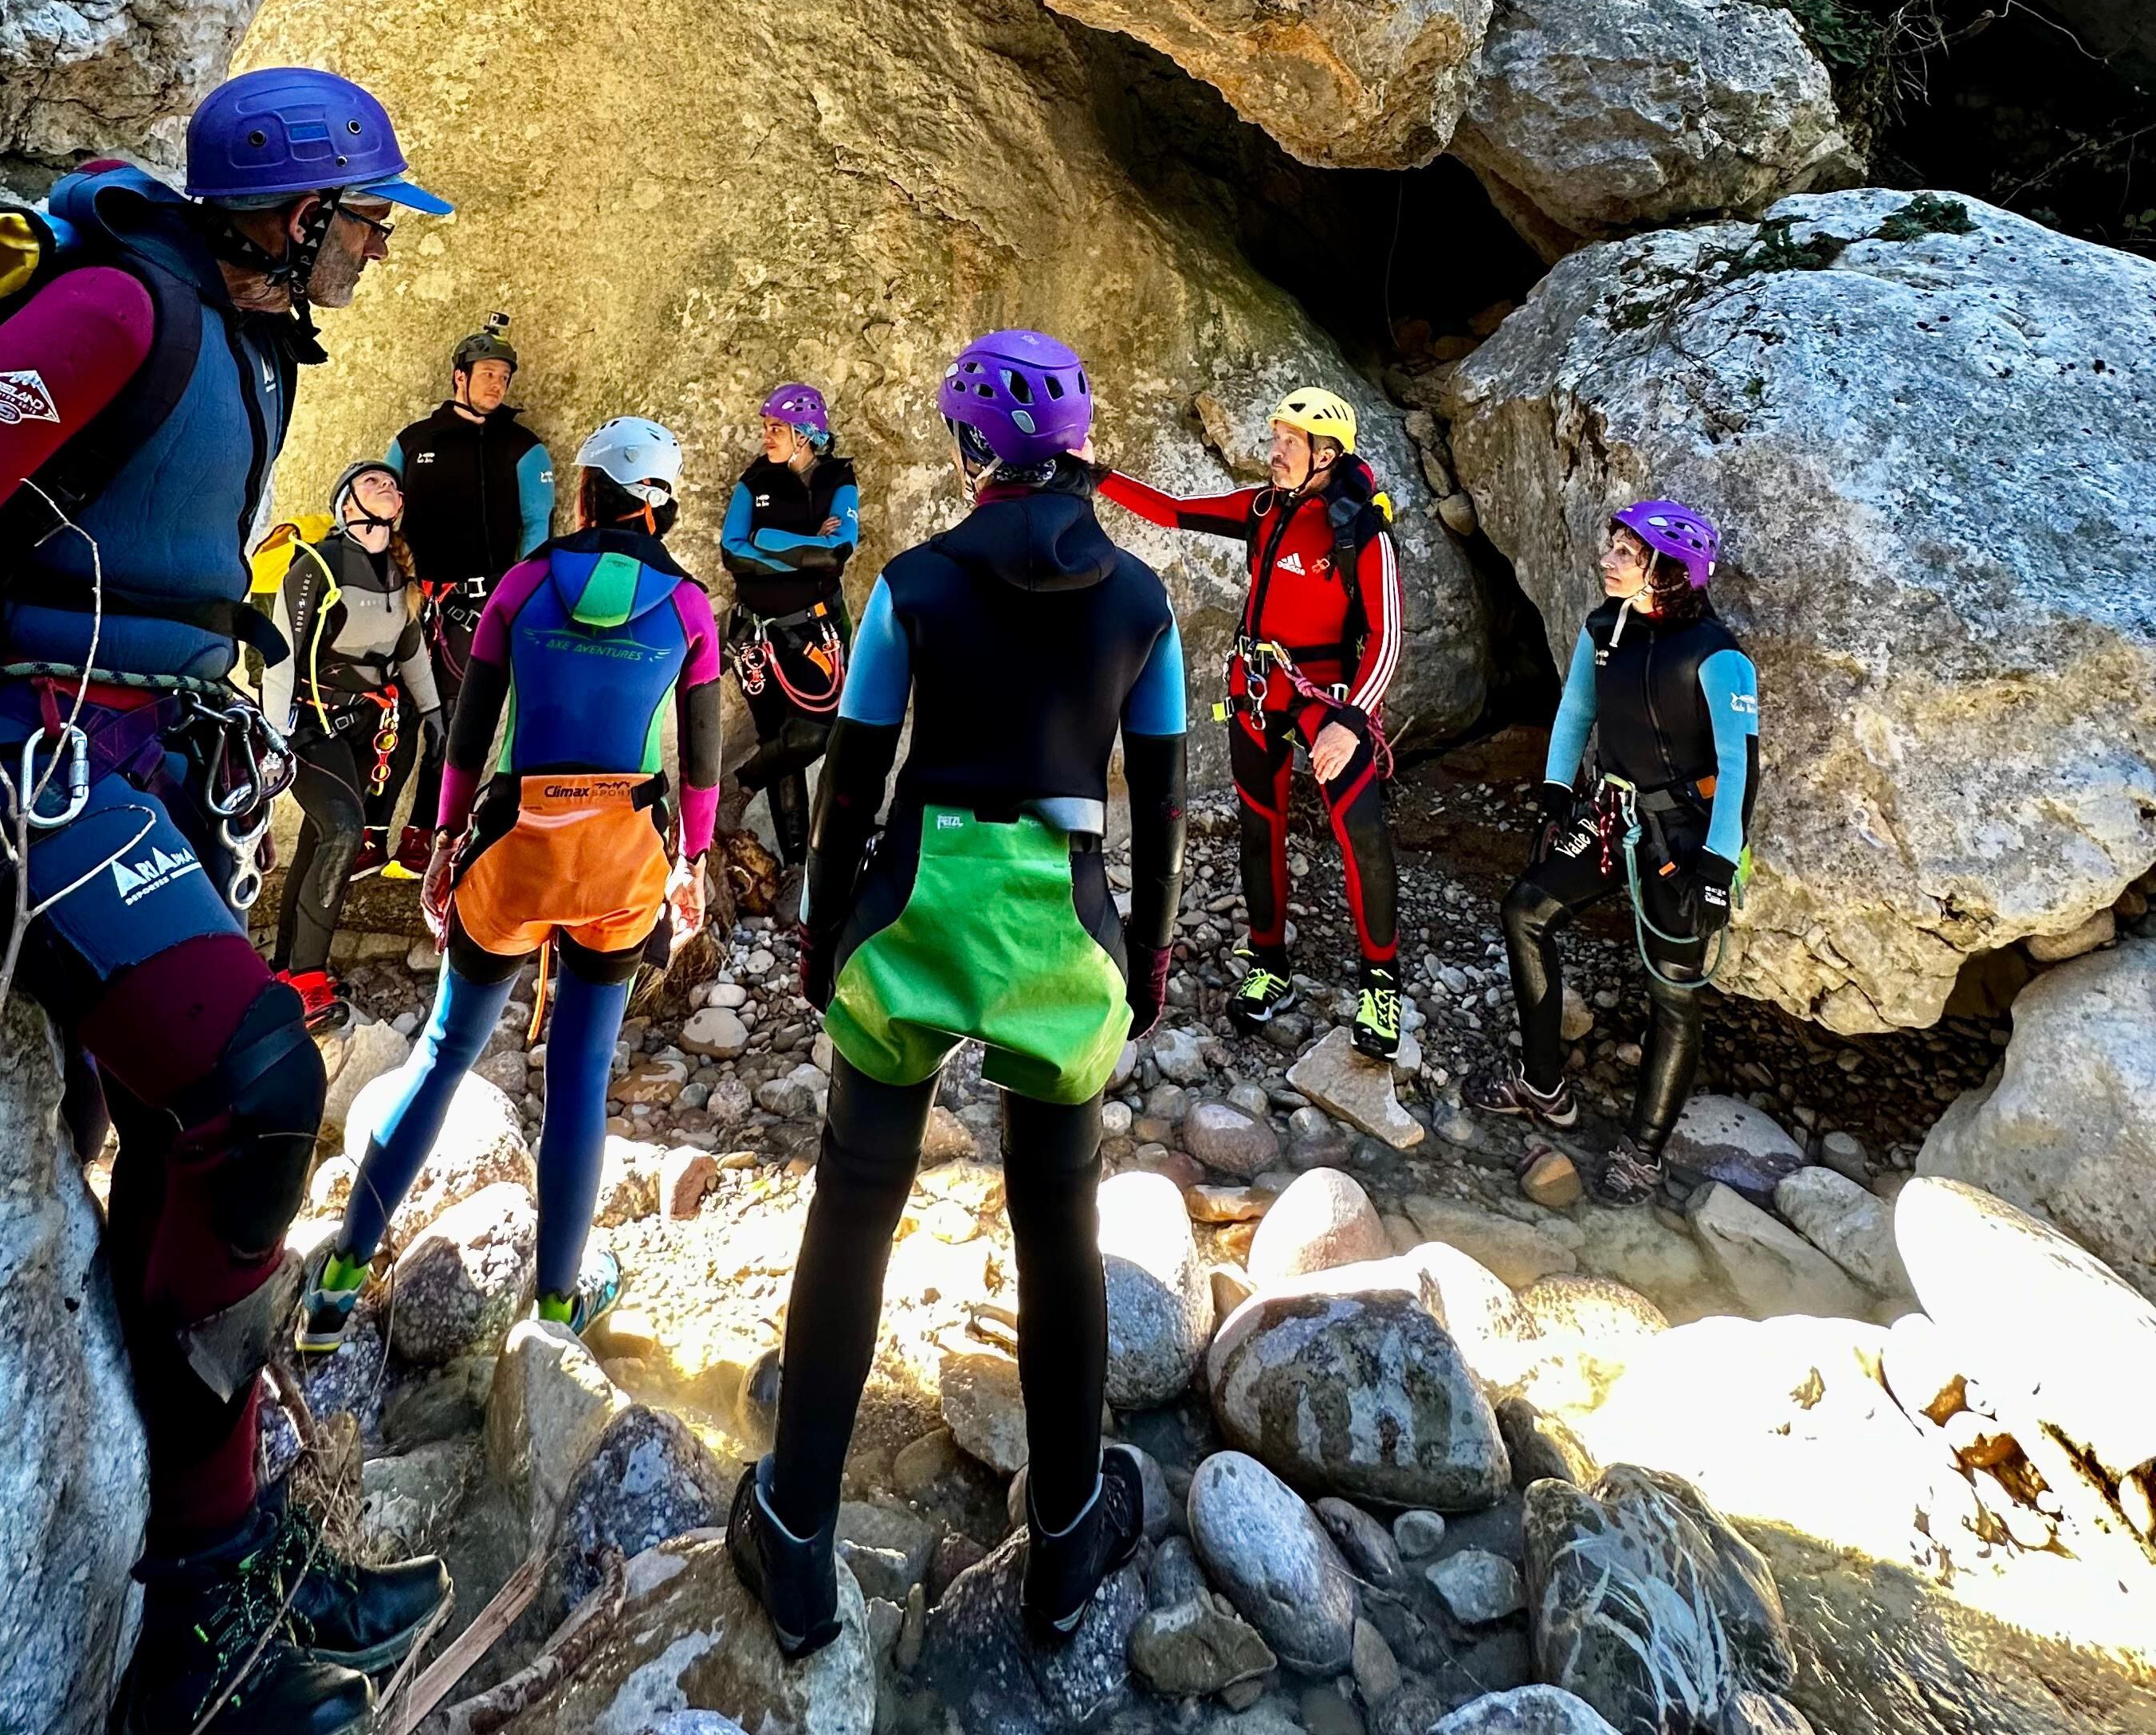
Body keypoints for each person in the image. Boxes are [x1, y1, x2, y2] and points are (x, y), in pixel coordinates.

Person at [0, 67, 457, 1735]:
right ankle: (189, 1669)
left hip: (134, 758)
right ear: (292, 213)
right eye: (365, 213)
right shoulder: (115, 309)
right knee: (257, 1085)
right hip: (30, 747)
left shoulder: (241, 339)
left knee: (196, 1130)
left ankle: (236, 1562)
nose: (378, 244)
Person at [728, 332, 1188, 1662]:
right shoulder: (1142, 599)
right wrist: (1145, 960)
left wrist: (824, 940)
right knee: (1057, 1226)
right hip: (1065, 921)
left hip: (913, 907)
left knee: (853, 1209)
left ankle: (798, 1540)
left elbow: (852, 784)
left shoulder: (914, 584)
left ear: (968, 451)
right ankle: (1064, 1547)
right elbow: (1156, 803)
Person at [296, 416, 721, 1356]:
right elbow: (700, 765)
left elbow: (467, 728)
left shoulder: (525, 586)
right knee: (581, 1073)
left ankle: (335, 1285)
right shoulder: (690, 607)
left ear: (582, 496)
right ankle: (560, 1307)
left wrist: (446, 839)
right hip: (622, 862)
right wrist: (690, 860)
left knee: (446, 1050)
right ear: (660, 505)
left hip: (516, 850)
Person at [1467, 500, 1758, 1203]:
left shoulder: (1719, 657)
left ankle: (1645, 1151)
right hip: (1610, 815)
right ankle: (1544, 1087)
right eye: (1615, 546)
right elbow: (1577, 711)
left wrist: (1719, 866)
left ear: (1667, 569)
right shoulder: (1604, 628)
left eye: (1628, 551)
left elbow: (1740, 766)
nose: (1610, 559)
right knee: (1526, 911)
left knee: (1674, 993)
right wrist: (1556, 789)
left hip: (1683, 841)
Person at [1095, 387, 1403, 1049]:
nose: (1274, 453)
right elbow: (1174, 512)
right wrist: (1094, 474)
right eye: (1275, 439)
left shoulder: (1359, 529)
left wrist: (1352, 720)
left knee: (1363, 835)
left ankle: (1382, 985)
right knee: (1260, 831)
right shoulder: (1263, 509)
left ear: (1326, 454)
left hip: (1328, 701)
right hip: (1258, 692)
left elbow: (1388, 635)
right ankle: (1269, 965)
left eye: (1290, 443)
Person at [260, 461, 444, 1029]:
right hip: (312, 724)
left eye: (392, 484)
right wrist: (274, 736)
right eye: (371, 482)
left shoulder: (397, 571)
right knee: (343, 830)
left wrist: (434, 712)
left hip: (367, 728)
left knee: (325, 835)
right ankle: (310, 980)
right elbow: (281, 654)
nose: (387, 487)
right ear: (346, 505)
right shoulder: (316, 564)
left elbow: (411, 648)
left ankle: (286, 970)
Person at [387, 320, 555, 811]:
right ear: (459, 377)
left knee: (456, 720)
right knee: (399, 712)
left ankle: (425, 829)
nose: (497, 384)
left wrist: (516, 602)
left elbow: (535, 526)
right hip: (412, 598)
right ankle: (375, 832)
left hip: (478, 605)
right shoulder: (414, 441)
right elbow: (383, 513)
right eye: (487, 373)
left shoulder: (523, 448)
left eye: (504, 376)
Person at [719, 382, 858, 870]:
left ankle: (740, 784)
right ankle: (797, 864)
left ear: (804, 434)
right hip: (756, 634)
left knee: (812, 736)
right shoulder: (754, 481)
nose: (766, 438)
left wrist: (768, 539)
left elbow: (836, 552)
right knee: (776, 738)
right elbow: (734, 552)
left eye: (776, 429)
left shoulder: (839, 480)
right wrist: (801, 547)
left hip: (816, 633)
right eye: (766, 428)